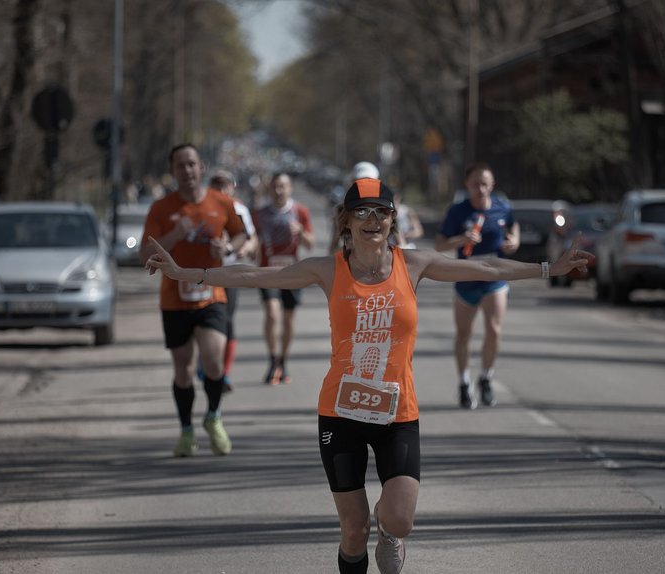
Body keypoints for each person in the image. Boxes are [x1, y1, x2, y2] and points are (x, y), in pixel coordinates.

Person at [145, 176, 589, 574]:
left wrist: (550, 269)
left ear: (393, 220)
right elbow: (258, 274)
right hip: (340, 413)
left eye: (381, 212)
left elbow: (489, 267)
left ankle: (390, 533)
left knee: (398, 519)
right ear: (346, 221)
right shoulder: (327, 269)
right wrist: (187, 272)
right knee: (353, 529)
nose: (372, 220)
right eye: (362, 211)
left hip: (399, 411)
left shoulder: (413, 265)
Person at [139, 143, 249, 457]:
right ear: (172, 171)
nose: (186, 171)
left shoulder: (221, 202)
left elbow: (240, 235)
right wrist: (174, 234)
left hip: (211, 293)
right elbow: (144, 254)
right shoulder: (161, 208)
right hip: (175, 298)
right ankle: (187, 430)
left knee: (214, 362)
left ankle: (213, 416)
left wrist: (226, 249)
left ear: (201, 167)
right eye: (180, 166)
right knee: (183, 370)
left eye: (191, 164)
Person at [434, 162, 521, 409]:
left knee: (494, 330)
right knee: (464, 334)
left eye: (485, 184)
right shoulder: (458, 211)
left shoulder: (502, 208)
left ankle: (486, 378)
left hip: (494, 279)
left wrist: (514, 241)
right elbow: (440, 245)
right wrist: (461, 239)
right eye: (475, 184)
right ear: (467, 185)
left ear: (492, 185)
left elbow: (513, 226)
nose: (480, 189)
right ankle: (464, 382)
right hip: (466, 279)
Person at [252, 172, 315, 385]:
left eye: (283, 186)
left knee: (288, 318)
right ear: (270, 189)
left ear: (290, 189)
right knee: (271, 313)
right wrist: (251, 249)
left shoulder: (300, 211)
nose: (279, 191)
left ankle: (283, 361)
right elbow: (253, 241)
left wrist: (301, 232)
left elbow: (310, 244)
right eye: (275, 187)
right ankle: (272, 360)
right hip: (267, 271)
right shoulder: (259, 214)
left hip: (292, 271)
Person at [202, 169, 258, 390]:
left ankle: (224, 372)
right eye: (216, 185)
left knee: (226, 320)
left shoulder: (240, 209)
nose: (221, 189)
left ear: (232, 187)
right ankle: (206, 364)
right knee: (204, 321)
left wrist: (245, 247)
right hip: (205, 272)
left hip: (230, 271)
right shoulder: (201, 207)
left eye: (225, 185)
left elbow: (253, 240)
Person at [328, 161, 381, 254]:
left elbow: (399, 245)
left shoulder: (386, 209)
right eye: (360, 182)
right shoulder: (341, 210)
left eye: (370, 182)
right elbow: (332, 250)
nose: (364, 185)